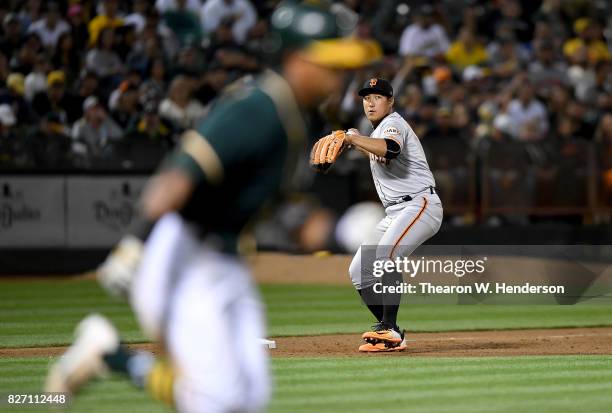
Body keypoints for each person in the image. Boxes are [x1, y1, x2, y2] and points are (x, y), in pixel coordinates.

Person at [45, 2, 382, 413]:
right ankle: (109, 355)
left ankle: (107, 355)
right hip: (180, 256)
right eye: (329, 62)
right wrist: (134, 244)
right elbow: (177, 177)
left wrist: (343, 231)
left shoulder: (304, 118)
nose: (340, 74)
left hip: (224, 261)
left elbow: (286, 213)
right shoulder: (256, 109)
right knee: (215, 400)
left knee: (249, 396)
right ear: (296, 59)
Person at [343, 78, 443, 352]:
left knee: (388, 255)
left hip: (420, 204)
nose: (371, 102)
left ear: (391, 102)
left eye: (377, 97)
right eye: (366, 98)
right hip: (397, 210)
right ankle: (391, 331)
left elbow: (392, 149)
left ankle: (390, 328)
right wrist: (357, 141)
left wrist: (353, 138)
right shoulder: (376, 132)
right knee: (360, 271)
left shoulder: (393, 123)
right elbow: (379, 149)